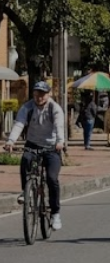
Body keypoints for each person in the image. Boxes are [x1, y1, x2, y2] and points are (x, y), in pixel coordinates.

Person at [3, 82, 66, 231]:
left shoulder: (54, 108)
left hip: (51, 147)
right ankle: (26, 191)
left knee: (52, 179)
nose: (39, 97)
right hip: (33, 144)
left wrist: (60, 141)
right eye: (37, 94)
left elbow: (59, 126)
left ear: (48, 94)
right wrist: (11, 141)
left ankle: (55, 213)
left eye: (42, 94)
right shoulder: (27, 107)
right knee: (25, 160)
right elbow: (19, 124)